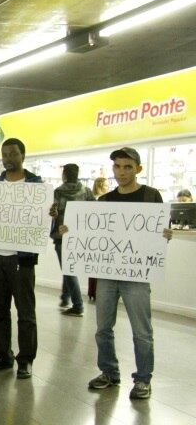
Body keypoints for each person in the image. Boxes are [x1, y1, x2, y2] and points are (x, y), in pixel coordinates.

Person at [60, 147, 172, 400]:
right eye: (117, 167)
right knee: (103, 328)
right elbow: (91, 233)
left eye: (127, 167)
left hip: (137, 275)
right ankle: (109, 372)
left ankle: (143, 379)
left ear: (138, 169)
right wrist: (71, 231)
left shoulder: (151, 196)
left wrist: (165, 234)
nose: (121, 172)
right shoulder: (105, 201)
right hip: (108, 274)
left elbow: (159, 233)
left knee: (142, 331)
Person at [0, 138, 43, 379]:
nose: (8, 158)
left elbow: (45, 221)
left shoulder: (36, 186)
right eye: (5, 154)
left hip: (21, 259)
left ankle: (25, 359)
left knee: (25, 312)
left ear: (23, 156)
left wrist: (50, 215)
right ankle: (3, 354)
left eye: (13, 154)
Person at [51, 164, 95, 317]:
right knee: (69, 268)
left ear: (64, 175)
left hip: (62, 236)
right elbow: (94, 213)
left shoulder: (58, 192)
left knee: (68, 270)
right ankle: (65, 297)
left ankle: (78, 305)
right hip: (80, 238)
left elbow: (51, 214)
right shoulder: (86, 192)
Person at [88, 177, 110, 300]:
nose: (108, 187)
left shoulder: (106, 199)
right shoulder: (97, 199)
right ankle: (94, 291)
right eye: (106, 185)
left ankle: (94, 292)